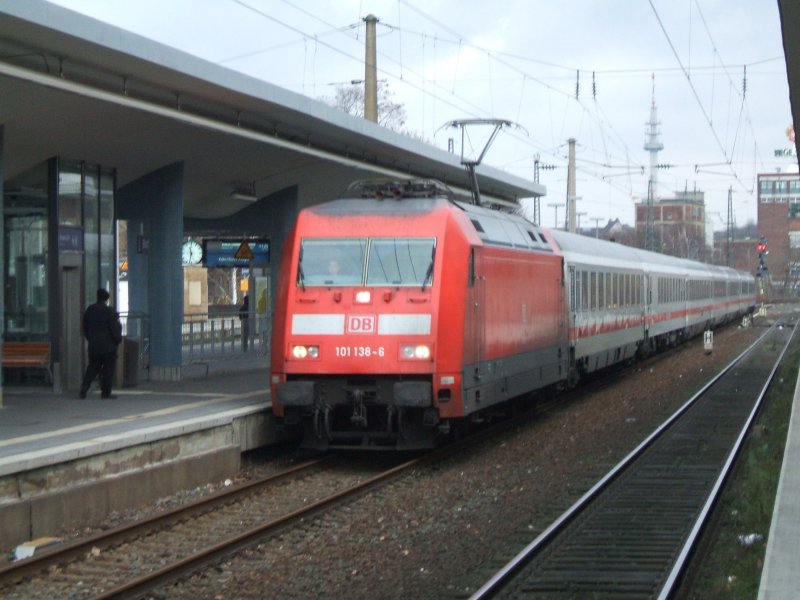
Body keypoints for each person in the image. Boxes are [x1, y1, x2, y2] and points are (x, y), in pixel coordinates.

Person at [79, 288, 122, 399]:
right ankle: (106, 393)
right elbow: (115, 328)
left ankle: (85, 386)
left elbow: (85, 327)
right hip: (108, 346)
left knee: (93, 366)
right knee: (108, 369)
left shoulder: (90, 310)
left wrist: (90, 339)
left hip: (94, 345)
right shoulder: (110, 311)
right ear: (107, 299)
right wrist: (117, 340)